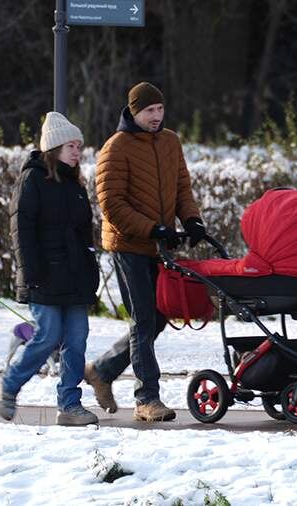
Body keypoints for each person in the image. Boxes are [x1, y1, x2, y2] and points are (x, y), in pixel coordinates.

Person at [85, 82, 206, 422]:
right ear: (134, 112)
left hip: (159, 245)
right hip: (129, 245)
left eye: (159, 109)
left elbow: (182, 186)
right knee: (143, 318)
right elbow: (112, 204)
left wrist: (192, 219)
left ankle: (102, 370)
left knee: (160, 316)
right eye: (149, 111)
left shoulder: (170, 141)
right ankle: (146, 399)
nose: (156, 116)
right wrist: (151, 228)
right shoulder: (115, 148)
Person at [0, 112, 101, 426]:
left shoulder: (76, 184)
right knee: (47, 336)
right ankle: (10, 384)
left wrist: (90, 268)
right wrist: (30, 274)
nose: (76, 151)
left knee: (77, 341)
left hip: (75, 279)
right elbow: (22, 232)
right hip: (44, 276)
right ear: (53, 148)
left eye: (78, 146)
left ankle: (69, 405)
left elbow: (85, 235)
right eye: (70, 145)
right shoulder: (32, 181)